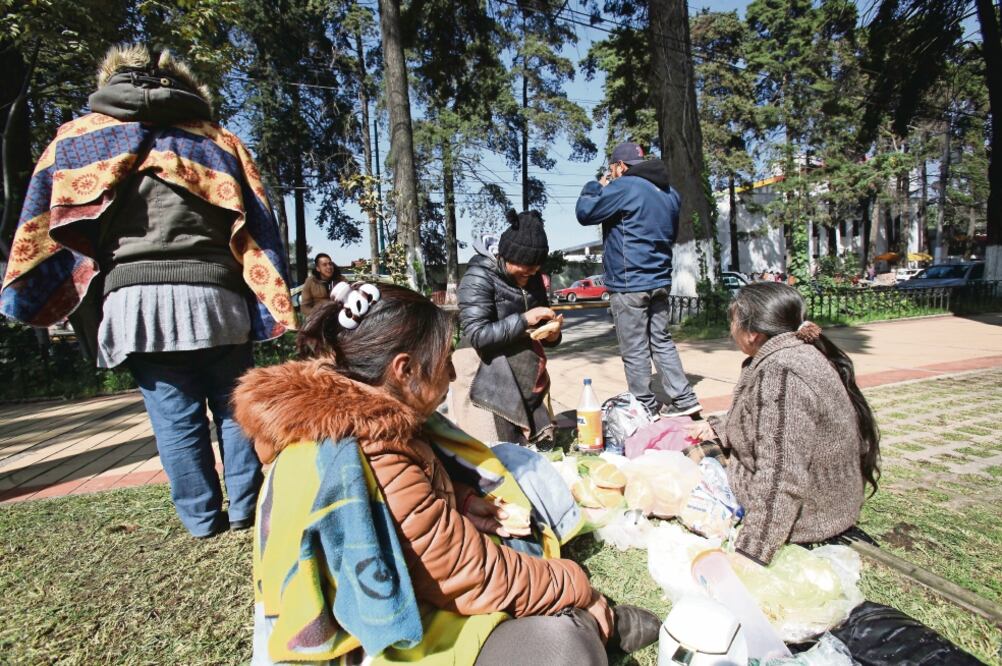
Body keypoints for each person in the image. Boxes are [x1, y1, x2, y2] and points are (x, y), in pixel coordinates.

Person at [232, 283, 659, 665]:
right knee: (561, 646)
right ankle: (594, 625)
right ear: (404, 370)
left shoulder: (365, 419)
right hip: (382, 641)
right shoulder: (372, 448)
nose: (453, 375)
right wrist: (579, 586)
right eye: (443, 362)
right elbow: (472, 574)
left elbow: (411, 505)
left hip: (427, 591)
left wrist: (463, 499)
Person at [0, 44, 296, 538]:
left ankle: (203, 521)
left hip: (133, 303)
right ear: (186, 85)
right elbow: (260, 228)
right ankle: (246, 509)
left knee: (175, 419)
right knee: (234, 406)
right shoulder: (218, 141)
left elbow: (46, 228)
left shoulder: (75, 141)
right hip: (218, 298)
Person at [688, 282, 881, 565]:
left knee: (690, 463)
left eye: (733, 322)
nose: (730, 331)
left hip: (810, 518)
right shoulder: (795, 351)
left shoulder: (782, 373)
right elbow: (766, 417)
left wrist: (750, 553)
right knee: (696, 450)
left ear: (752, 333)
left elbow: (780, 474)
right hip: (826, 504)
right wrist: (717, 426)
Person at [575, 141, 701, 418]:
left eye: (612, 169)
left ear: (620, 167)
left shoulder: (625, 186)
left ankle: (644, 406)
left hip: (629, 281)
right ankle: (685, 398)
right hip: (659, 279)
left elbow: (585, 213)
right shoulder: (670, 194)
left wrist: (595, 186)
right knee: (661, 341)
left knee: (634, 348)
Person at [456, 209, 562, 447]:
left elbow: (539, 327)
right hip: (481, 359)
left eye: (535, 268)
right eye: (525, 267)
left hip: (521, 356)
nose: (531, 274)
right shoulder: (479, 277)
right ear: (506, 256)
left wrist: (552, 333)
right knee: (497, 445)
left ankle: (533, 439)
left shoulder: (532, 276)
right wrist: (524, 319)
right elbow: (477, 334)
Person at [300, 252, 342, 318]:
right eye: (324, 265)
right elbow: (304, 306)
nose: (329, 267)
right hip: (318, 317)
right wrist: (316, 315)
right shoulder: (311, 281)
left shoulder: (340, 279)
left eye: (330, 264)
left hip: (338, 316)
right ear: (318, 268)